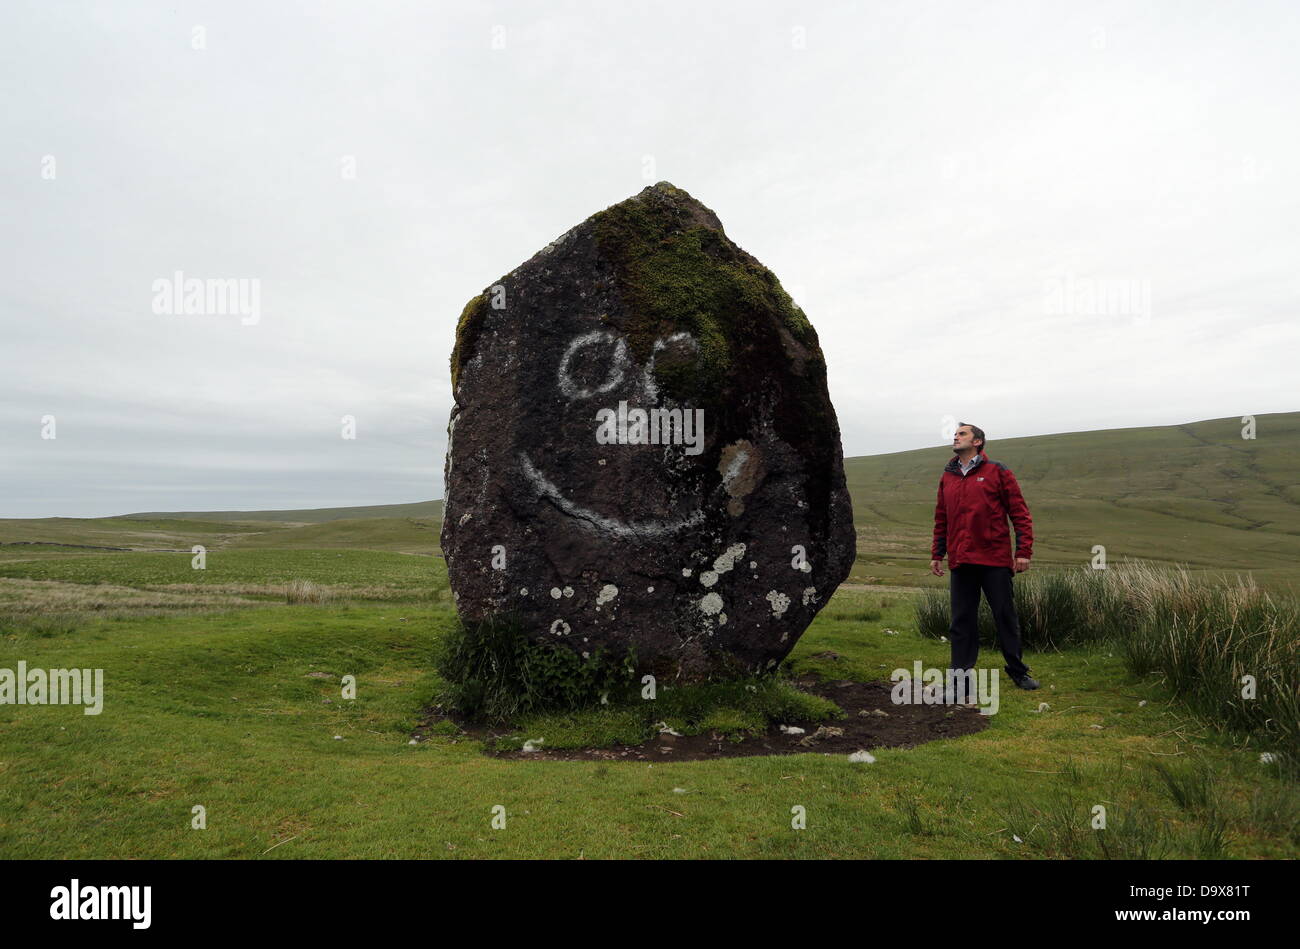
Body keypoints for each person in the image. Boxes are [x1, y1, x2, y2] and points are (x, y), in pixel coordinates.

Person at [929, 422, 1040, 695]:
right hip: (961, 560)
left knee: (1005, 616)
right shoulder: (949, 475)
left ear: (977, 441)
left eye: (962, 434)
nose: (956, 437)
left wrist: (1023, 551)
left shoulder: (997, 471)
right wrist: (937, 553)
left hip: (994, 560)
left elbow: (1019, 513)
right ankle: (960, 681)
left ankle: (1018, 671)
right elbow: (942, 517)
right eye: (955, 434)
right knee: (961, 621)